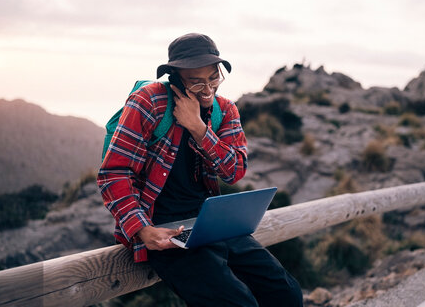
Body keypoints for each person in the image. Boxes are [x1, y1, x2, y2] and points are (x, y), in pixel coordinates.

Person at [97, 33, 303, 306]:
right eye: (196, 82)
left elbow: (235, 170)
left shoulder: (225, 110)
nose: (207, 89)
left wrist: (199, 129)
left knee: (285, 293)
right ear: (176, 78)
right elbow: (113, 173)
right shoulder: (148, 102)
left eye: (214, 78)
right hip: (163, 229)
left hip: (210, 223)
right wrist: (143, 230)